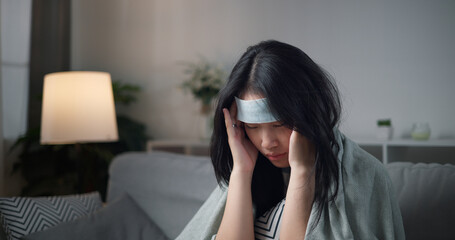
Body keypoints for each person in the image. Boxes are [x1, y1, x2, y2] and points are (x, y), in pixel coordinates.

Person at [176, 40, 405, 240]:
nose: (267, 142)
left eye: (279, 124)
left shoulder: (365, 174)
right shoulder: (248, 167)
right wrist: (242, 171)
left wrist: (302, 171)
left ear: (308, 114)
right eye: (253, 127)